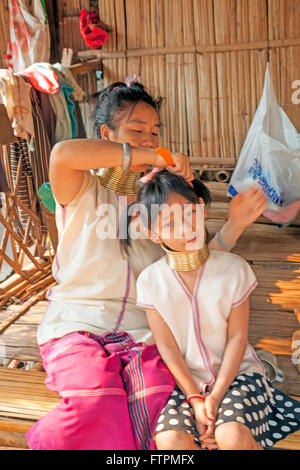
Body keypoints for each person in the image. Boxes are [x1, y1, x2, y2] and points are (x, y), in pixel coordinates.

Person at [26, 79, 267, 450]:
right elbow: (62, 154)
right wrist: (153, 157)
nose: (150, 139)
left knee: (158, 408)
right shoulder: (81, 187)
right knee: (95, 401)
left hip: (144, 335)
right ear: (107, 134)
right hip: (78, 324)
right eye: (137, 130)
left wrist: (234, 226)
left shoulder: (157, 202)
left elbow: (194, 262)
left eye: (155, 132)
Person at [133, 169, 300, 450]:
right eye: (170, 224)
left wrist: (216, 396)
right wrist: (196, 400)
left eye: (189, 215)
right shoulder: (150, 281)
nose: (186, 228)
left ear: (201, 208)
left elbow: (237, 337)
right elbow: (168, 348)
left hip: (239, 377)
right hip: (184, 384)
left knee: (230, 437)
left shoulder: (233, 269)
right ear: (151, 233)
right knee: (171, 441)